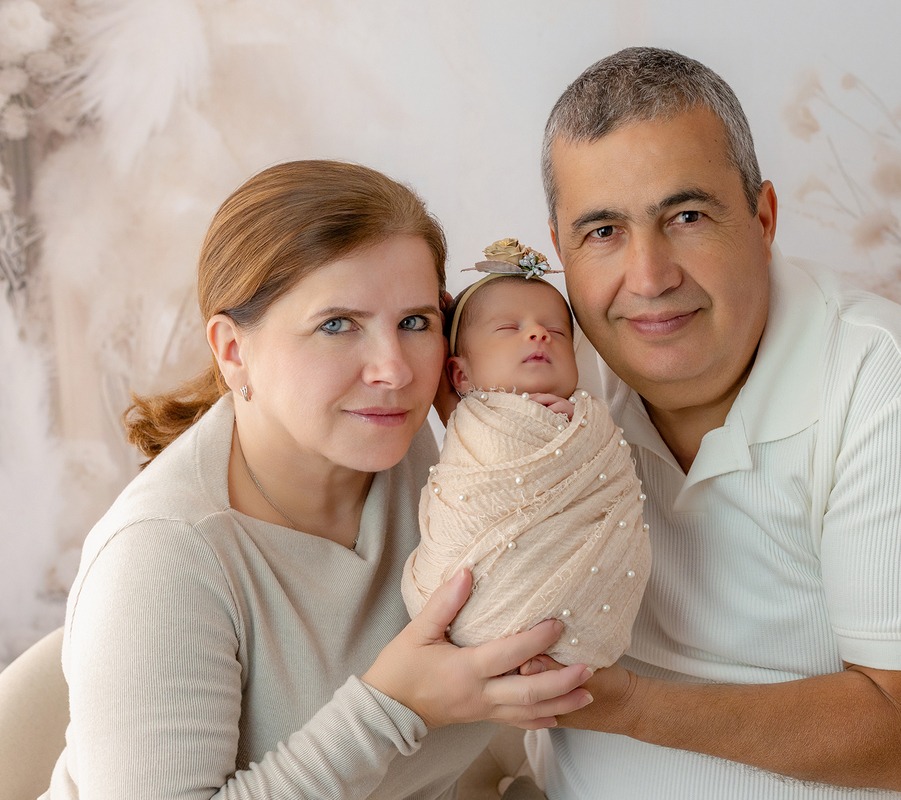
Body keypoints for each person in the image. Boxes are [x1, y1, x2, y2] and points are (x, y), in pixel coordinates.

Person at [527, 47, 901, 799]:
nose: (650, 279)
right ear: (560, 250)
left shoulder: (886, 389)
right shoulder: (550, 380)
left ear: (763, 218)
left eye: (686, 216)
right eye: (603, 232)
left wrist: (626, 708)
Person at [44, 161, 594, 800]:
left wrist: (488, 418)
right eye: (337, 324)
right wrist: (391, 707)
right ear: (232, 349)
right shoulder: (158, 563)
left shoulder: (400, 442)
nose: (393, 370)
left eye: (414, 322)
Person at [401, 239, 650, 671]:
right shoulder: (473, 423)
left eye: (555, 331)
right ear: (460, 373)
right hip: (468, 605)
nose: (538, 334)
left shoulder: (590, 423)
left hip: (590, 602)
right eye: (508, 328)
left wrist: (585, 429)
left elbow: (611, 479)